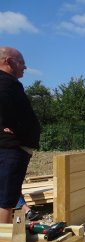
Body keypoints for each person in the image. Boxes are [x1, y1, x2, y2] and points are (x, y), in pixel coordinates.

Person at [0, 47, 41, 223]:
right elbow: (5, 106)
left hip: (14, 146)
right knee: (6, 198)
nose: (24, 67)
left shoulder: (9, 83)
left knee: (6, 194)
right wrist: (11, 126)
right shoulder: (5, 83)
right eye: (21, 63)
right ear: (8, 61)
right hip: (12, 147)